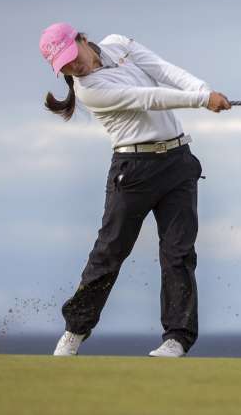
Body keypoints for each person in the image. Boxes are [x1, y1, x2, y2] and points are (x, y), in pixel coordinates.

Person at [38, 22, 231, 358]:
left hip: (178, 162)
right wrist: (202, 100)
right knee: (110, 252)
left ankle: (177, 338)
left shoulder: (119, 44)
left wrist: (204, 89)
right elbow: (148, 98)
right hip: (133, 171)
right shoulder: (89, 90)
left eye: (72, 56)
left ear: (82, 39)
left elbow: (164, 70)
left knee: (179, 252)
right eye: (64, 66)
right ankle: (75, 330)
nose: (73, 67)